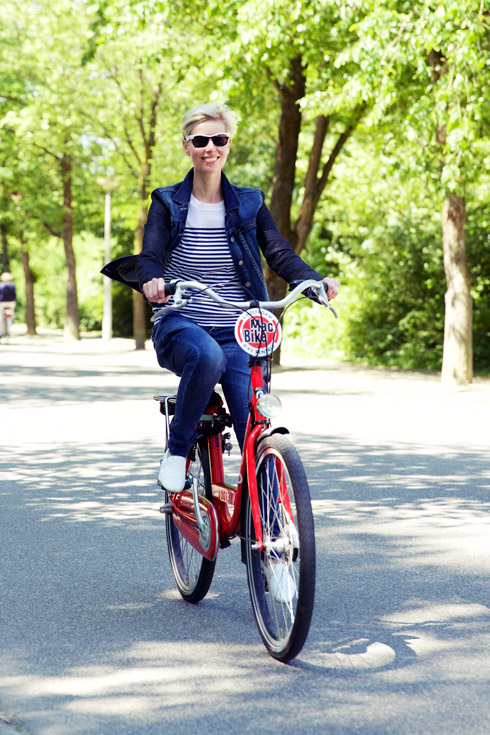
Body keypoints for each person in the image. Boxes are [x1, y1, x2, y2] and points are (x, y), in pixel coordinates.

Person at [103, 103, 339, 494]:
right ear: (187, 146)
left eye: (219, 139)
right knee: (207, 356)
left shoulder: (250, 202)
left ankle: (269, 516)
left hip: (238, 326)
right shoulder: (166, 201)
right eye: (200, 141)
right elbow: (151, 255)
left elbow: (278, 252)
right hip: (181, 321)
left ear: (229, 144)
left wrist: (314, 281)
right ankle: (178, 450)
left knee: (253, 426)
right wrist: (152, 281)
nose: (210, 148)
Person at [0, 272, 17, 339]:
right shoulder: (12, 285)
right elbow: (14, 295)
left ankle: (1, 332)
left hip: (2, 303)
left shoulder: (1, 285)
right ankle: (8, 330)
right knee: (10, 315)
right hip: (11, 303)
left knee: (1, 317)